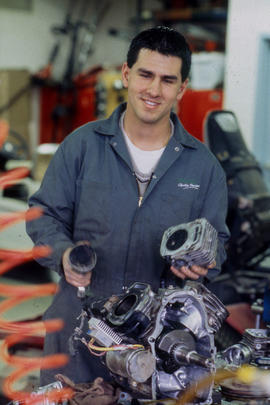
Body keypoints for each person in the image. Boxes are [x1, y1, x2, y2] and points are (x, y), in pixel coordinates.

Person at [26, 26, 229, 385]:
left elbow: (218, 243)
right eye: (145, 75)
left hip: (158, 341)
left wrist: (203, 265)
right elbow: (43, 216)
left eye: (168, 80)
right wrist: (63, 255)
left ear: (182, 88)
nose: (153, 90)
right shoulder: (82, 146)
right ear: (126, 74)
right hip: (77, 332)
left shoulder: (204, 167)